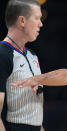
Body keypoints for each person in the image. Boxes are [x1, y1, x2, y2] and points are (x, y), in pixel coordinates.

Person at [0, 0, 45, 131]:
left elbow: (35, 115)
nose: (41, 24)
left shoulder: (33, 56)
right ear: (22, 21)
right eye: (37, 18)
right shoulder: (2, 54)